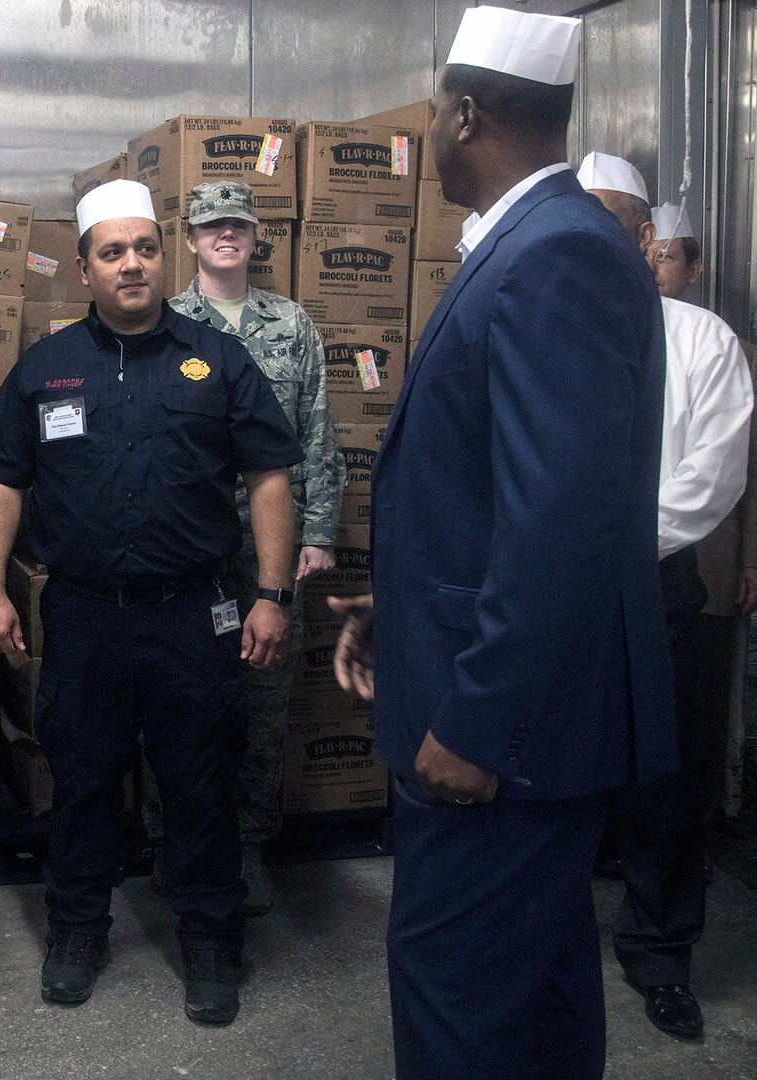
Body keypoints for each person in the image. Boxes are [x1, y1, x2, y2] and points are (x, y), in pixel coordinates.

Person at [329, 9, 678, 1078]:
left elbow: (560, 523)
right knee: (539, 987)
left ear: (467, 112)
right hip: (511, 703)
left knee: (460, 1001)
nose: (431, 126)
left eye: (435, 108)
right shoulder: (535, 245)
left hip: (506, 738)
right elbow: (505, 499)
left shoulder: (554, 255)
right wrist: (403, 600)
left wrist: (476, 722)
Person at [0, 178, 301, 1025]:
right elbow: (2, 478)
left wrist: (270, 593)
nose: (131, 265)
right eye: (111, 252)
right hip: (81, 617)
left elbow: (268, 476)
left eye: (144, 248)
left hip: (193, 613)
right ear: (84, 269)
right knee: (79, 784)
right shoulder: (47, 366)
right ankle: (77, 931)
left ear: (163, 255)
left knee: (198, 785)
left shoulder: (216, 359)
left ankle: (211, 941)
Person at [579, 151, 752, 1040]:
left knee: (665, 778)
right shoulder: (548, 327)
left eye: (608, 218)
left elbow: (709, 476)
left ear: (645, 237)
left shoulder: (699, 340)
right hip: (558, 589)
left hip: (652, 584)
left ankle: (657, 953)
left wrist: (604, 546)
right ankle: (551, 944)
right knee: (560, 771)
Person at [167, 180, 344, 914]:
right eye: (212, 227)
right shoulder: (166, 317)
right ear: (190, 238)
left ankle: (246, 849)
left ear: (254, 234)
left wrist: (319, 532)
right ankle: (175, 846)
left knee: (262, 705)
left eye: (236, 225)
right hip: (187, 554)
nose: (225, 237)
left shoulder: (290, 321)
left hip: (268, 556)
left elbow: (317, 431)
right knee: (180, 702)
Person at [649, 203, 704, 302]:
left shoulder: (702, 318)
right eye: (643, 256)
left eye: (663, 257)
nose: (650, 268)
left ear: (693, 271)